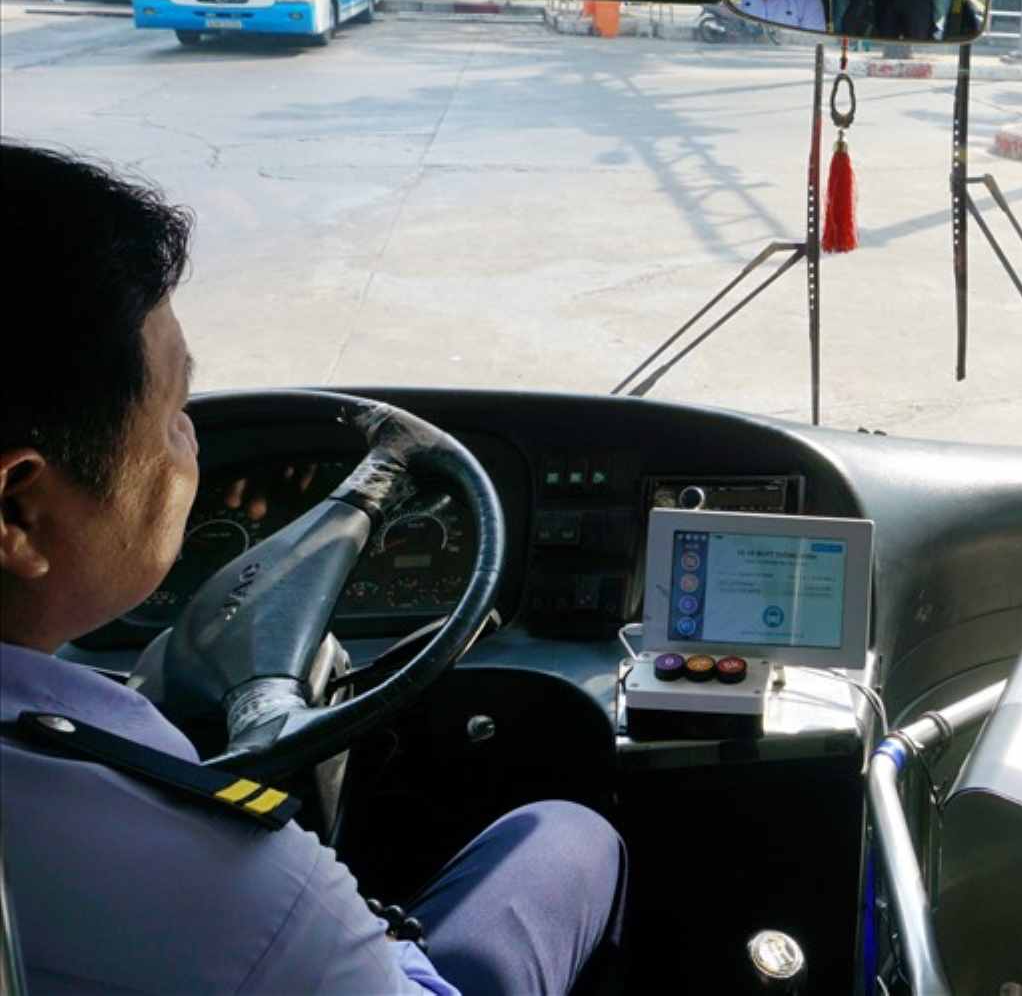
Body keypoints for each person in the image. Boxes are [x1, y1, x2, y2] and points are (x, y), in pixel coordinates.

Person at [0, 144, 627, 995]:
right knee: (569, 840)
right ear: (18, 514)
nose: (191, 444)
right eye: (172, 412)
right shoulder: (222, 884)